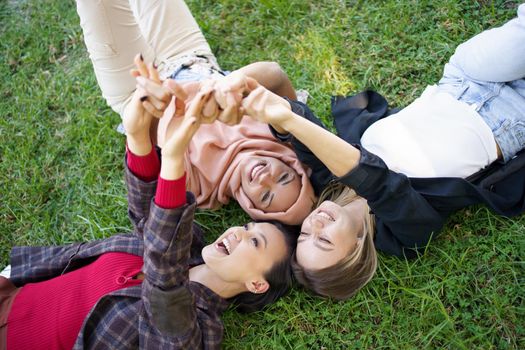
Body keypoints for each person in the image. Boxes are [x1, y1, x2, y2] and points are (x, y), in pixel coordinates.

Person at [238, 4, 525, 300]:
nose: (315, 224)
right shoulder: (405, 235)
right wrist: (290, 122)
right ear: (356, 249)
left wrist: (242, 92)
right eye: (323, 240)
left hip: (463, 80)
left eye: (306, 235)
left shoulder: (330, 184)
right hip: (512, 117)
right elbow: (377, 181)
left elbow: (303, 128)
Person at [0, 82, 297, 349]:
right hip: (10, 292)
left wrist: (174, 160)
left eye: (255, 242)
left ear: (256, 284)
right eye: (247, 225)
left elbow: (164, 282)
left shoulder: (199, 332)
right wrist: (138, 134)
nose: (239, 232)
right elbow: (149, 213)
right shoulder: (188, 246)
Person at [75, 0, 315, 225]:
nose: (265, 178)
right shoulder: (280, 132)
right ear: (290, 163)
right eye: (283, 178)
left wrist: (169, 107)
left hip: (136, 83)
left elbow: (143, 140)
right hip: (190, 55)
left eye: (265, 196)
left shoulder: (199, 189)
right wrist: (229, 84)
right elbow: (274, 74)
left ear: (249, 205)